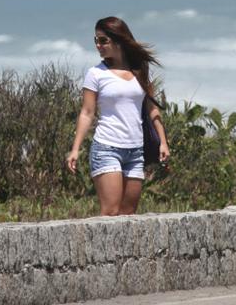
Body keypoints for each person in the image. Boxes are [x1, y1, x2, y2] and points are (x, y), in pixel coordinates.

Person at [66, 16, 170, 216]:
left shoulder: (139, 71)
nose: (98, 45)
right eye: (96, 40)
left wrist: (163, 142)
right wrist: (75, 149)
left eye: (103, 40)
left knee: (128, 213)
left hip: (135, 151)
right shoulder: (96, 74)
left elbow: (152, 109)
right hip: (107, 147)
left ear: (119, 40)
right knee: (110, 212)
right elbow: (87, 113)